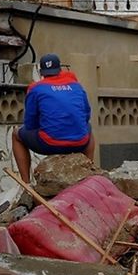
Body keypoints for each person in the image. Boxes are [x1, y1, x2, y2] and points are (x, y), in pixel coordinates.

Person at [12, 53, 93, 184]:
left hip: (49, 144)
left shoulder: (36, 89)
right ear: (60, 69)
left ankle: (25, 184)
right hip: (79, 143)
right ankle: (89, 175)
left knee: (16, 134)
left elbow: (30, 123)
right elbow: (86, 115)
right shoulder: (76, 86)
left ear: (41, 72)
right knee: (88, 129)